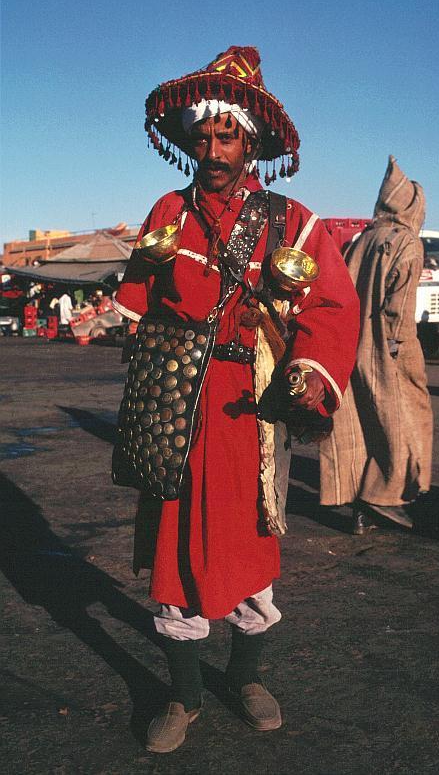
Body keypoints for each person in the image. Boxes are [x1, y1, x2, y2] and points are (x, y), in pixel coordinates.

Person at [113, 45, 359, 753]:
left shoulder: (292, 220)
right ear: (191, 141)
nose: (213, 149)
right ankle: (185, 695)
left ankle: (245, 676)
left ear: (251, 142)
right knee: (172, 547)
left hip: (251, 409)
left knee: (250, 545)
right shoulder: (168, 208)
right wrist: (118, 318)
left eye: (227, 136)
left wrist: (310, 371)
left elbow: (331, 307)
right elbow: (138, 297)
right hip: (174, 403)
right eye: (203, 136)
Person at [319, 156, 433, 534]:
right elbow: (398, 311)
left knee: (362, 422)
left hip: (353, 344)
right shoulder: (407, 244)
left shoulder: (361, 240)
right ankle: (386, 498)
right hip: (389, 348)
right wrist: (400, 351)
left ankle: (361, 505)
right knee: (403, 422)